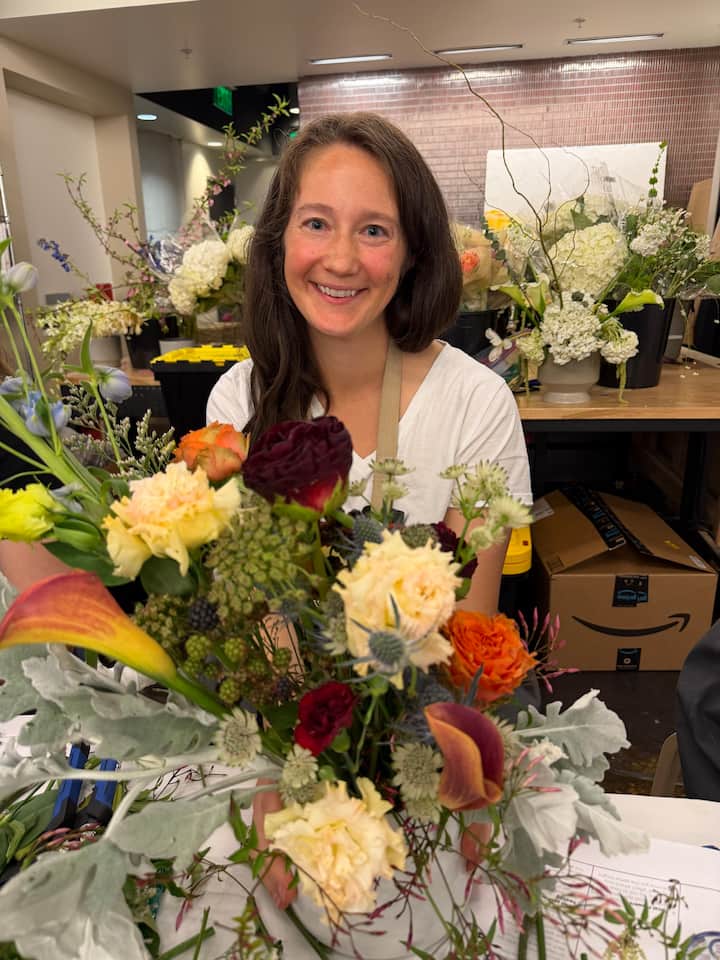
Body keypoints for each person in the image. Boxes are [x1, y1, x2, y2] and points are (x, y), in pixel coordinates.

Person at [206, 112, 532, 906]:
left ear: (413, 250)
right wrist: (286, 774)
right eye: (316, 223)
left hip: (425, 732)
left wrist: (459, 779)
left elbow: (470, 639)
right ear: (279, 240)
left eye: (375, 230)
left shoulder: (474, 402)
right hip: (298, 726)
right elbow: (263, 620)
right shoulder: (239, 400)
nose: (342, 259)